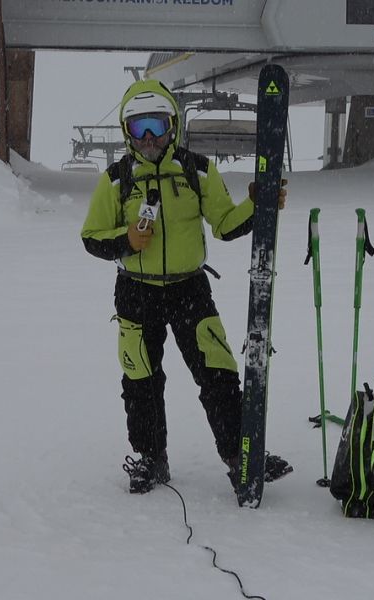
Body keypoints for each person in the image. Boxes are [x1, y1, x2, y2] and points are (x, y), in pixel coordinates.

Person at [81, 79, 292, 495]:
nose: (148, 138)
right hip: (136, 292)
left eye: (157, 126)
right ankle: (150, 458)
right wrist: (126, 240)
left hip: (189, 291)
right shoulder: (115, 179)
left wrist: (259, 203)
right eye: (139, 127)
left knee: (218, 373)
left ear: (173, 125)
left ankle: (239, 457)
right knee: (140, 379)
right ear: (126, 130)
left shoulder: (197, 170)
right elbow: (91, 236)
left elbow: (226, 224)